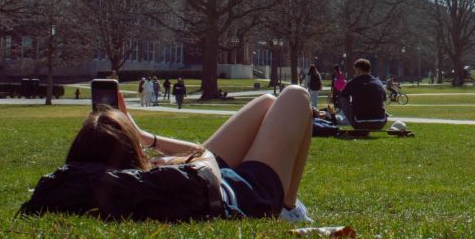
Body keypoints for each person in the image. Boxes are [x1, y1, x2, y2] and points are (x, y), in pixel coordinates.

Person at [20, 86, 313, 222]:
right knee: (295, 96)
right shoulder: (163, 181)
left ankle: (287, 200)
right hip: (246, 193)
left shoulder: (112, 183)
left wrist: (143, 142)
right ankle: (288, 205)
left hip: (213, 183)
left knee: (266, 102)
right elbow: (204, 156)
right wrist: (149, 138)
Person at [338, 58, 387, 129]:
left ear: (358, 70)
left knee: (343, 98)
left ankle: (353, 118)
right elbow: (384, 99)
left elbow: (342, 97)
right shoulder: (378, 83)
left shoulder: (352, 83)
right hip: (380, 123)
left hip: (359, 122)